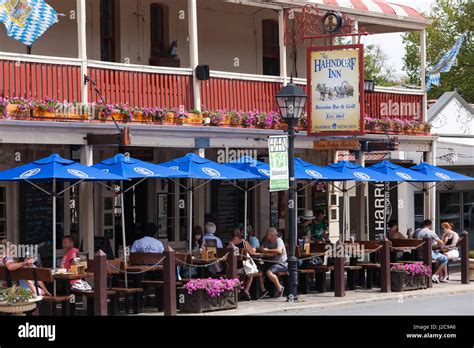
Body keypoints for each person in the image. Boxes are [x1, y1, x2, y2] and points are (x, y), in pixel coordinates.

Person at [257, 228, 287, 299]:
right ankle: (263, 290)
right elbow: (261, 248)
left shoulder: (279, 240)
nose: (266, 236)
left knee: (269, 272)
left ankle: (279, 288)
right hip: (271, 262)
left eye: (267, 234)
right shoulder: (266, 240)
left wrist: (267, 250)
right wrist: (262, 249)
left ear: (272, 235)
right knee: (258, 270)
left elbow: (279, 251)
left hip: (280, 263)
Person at [229, 229, 256, 301]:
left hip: (232, 269)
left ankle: (240, 290)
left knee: (244, 275)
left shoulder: (229, 244)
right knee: (252, 273)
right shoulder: (244, 242)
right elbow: (252, 252)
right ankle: (246, 290)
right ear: (240, 234)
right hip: (242, 268)